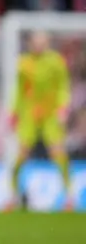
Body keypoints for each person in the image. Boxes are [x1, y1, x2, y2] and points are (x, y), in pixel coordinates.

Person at [8, 31, 71, 211]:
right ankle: (13, 196)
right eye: (35, 42)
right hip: (29, 114)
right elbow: (19, 91)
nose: (38, 45)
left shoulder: (56, 61)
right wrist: (14, 112)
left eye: (41, 42)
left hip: (50, 113)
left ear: (47, 43)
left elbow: (63, 86)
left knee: (58, 153)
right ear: (30, 43)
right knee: (21, 155)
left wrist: (63, 107)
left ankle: (69, 196)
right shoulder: (24, 63)